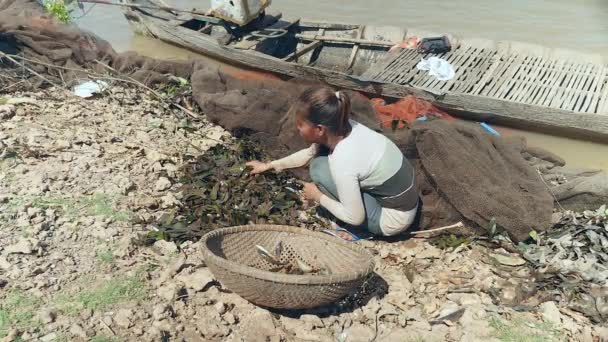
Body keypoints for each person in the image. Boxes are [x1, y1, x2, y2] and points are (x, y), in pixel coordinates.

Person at [246, 87, 419, 238]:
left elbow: (355, 218)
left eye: (300, 124)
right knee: (319, 158)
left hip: (391, 220)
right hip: (401, 200)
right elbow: (309, 153)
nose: (297, 128)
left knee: (319, 170)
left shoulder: (344, 160)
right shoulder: (346, 126)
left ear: (320, 129)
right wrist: (269, 165)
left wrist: (317, 196)